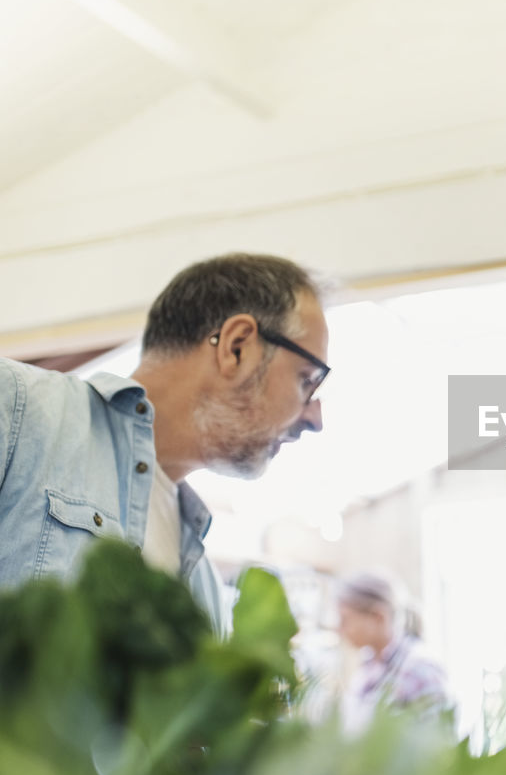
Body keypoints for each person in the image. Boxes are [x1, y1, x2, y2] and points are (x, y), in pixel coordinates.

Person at [0, 253, 328, 637]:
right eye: (307, 379)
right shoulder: (18, 408)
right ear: (237, 347)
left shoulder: (203, 584)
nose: (316, 419)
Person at [335, 571, 451, 735]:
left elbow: (438, 742)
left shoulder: (420, 669)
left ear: (378, 617)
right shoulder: (368, 667)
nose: (339, 629)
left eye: (345, 619)